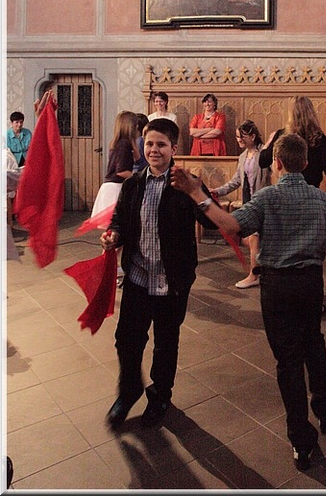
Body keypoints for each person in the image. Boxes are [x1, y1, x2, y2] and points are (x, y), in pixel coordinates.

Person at [171, 132, 326, 470]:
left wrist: (196, 193)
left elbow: (230, 225)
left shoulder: (266, 197)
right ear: (305, 163)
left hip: (276, 287)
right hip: (310, 284)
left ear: (276, 163)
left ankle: (301, 442)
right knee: (314, 344)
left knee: (288, 362)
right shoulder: (320, 198)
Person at [100, 118, 216, 429]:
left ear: (173, 148)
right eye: (149, 144)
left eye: (161, 144)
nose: (154, 150)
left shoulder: (186, 184)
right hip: (138, 278)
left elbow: (212, 223)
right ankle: (129, 390)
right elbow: (119, 220)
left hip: (171, 281)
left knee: (165, 342)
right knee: (127, 340)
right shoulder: (133, 184)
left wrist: (197, 192)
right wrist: (113, 235)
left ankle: (161, 395)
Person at [211, 120, 272, 288]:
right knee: (251, 239)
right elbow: (236, 181)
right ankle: (261, 271)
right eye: (237, 136)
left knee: (254, 238)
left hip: (262, 201)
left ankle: (254, 275)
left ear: (253, 136)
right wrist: (217, 191)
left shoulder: (264, 154)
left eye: (242, 136)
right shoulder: (243, 156)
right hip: (249, 202)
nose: (239, 140)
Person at [259, 96, 326, 188]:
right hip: (311, 191)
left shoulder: (282, 135)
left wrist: (268, 142)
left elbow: (263, 161)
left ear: (291, 114)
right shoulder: (319, 139)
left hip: (285, 190)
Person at [90, 111, 139, 217]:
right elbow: (121, 171)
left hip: (111, 187)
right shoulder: (124, 144)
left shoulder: (119, 143)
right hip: (115, 189)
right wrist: (139, 177)